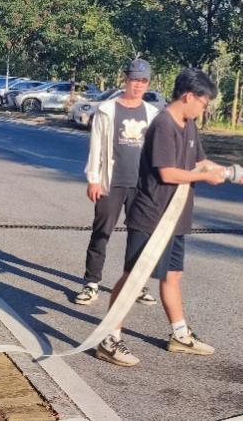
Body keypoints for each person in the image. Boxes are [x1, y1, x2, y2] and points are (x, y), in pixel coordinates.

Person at [95, 68, 243, 367]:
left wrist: (231, 172)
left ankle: (179, 335)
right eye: (203, 103)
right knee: (134, 277)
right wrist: (204, 177)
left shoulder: (189, 124)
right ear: (188, 96)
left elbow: (201, 162)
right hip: (152, 215)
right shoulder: (163, 125)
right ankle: (109, 339)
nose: (204, 109)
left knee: (172, 275)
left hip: (176, 215)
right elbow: (167, 173)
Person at [75, 59, 160, 306]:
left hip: (141, 186)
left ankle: (135, 283)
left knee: (139, 236)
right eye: (134, 80)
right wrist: (93, 179)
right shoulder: (107, 110)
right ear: (125, 79)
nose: (138, 85)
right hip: (110, 182)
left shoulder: (152, 113)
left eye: (143, 81)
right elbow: (96, 146)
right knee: (101, 232)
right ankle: (91, 283)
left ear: (148, 84)